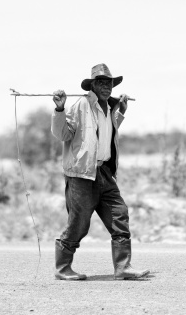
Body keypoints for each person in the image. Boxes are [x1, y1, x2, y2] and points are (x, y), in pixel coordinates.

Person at [51, 63, 149, 280]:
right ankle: (63, 268)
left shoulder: (110, 108)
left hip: (104, 172)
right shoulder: (80, 106)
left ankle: (123, 267)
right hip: (82, 174)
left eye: (110, 83)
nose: (107, 86)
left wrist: (120, 112)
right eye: (101, 82)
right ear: (92, 85)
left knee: (119, 214)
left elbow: (106, 135)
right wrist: (59, 110)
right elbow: (63, 135)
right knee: (79, 223)